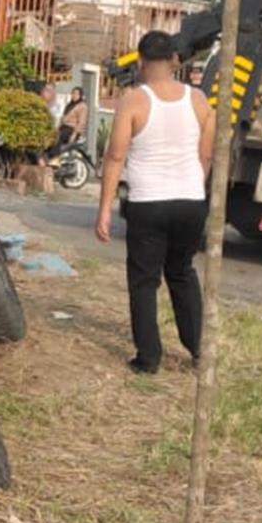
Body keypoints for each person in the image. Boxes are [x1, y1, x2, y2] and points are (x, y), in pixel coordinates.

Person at [94, 30, 213, 374]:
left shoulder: (134, 99)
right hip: (190, 199)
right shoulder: (198, 98)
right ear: (176, 60)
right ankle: (198, 350)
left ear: (141, 62)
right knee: (182, 273)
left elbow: (115, 156)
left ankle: (149, 358)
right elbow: (205, 154)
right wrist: (195, 184)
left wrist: (104, 209)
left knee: (144, 280)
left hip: (149, 201)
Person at [51, 85, 88, 157]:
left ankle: (54, 157)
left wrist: (74, 134)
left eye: (76, 94)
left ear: (80, 95)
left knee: (58, 137)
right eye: (73, 93)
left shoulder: (82, 106)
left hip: (71, 130)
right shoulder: (69, 105)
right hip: (63, 127)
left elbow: (81, 122)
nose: (74, 95)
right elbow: (63, 118)